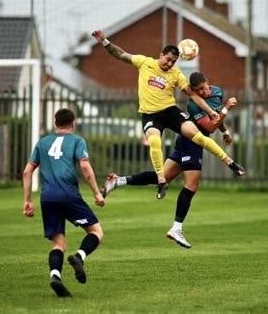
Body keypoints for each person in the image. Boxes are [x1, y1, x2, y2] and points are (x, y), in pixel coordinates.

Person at [91, 29, 244, 200]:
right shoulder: (144, 62)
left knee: (197, 136)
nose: (170, 64)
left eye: (173, 62)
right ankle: (161, 180)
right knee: (155, 141)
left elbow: (192, 94)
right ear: (161, 55)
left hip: (170, 112)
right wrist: (104, 41)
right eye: (168, 60)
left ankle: (229, 161)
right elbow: (121, 54)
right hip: (150, 115)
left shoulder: (176, 74)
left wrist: (210, 112)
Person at [101, 72, 236, 249]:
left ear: (207, 83)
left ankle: (118, 181)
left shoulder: (217, 92)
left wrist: (225, 131)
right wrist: (227, 108)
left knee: (162, 176)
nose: (201, 93)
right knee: (192, 185)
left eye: (202, 89)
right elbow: (210, 126)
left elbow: (216, 117)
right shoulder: (192, 104)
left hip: (188, 143)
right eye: (197, 91)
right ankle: (176, 228)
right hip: (191, 143)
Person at [22, 108, 105, 297]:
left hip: (47, 197)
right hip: (68, 194)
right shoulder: (77, 140)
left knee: (58, 244)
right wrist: (96, 193)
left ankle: (55, 276)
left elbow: (27, 172)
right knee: (96, 232)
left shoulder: (42, 143)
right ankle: (79, 256)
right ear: (73, 123)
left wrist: (27, 200)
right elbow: (84, 165)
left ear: (55, 122)